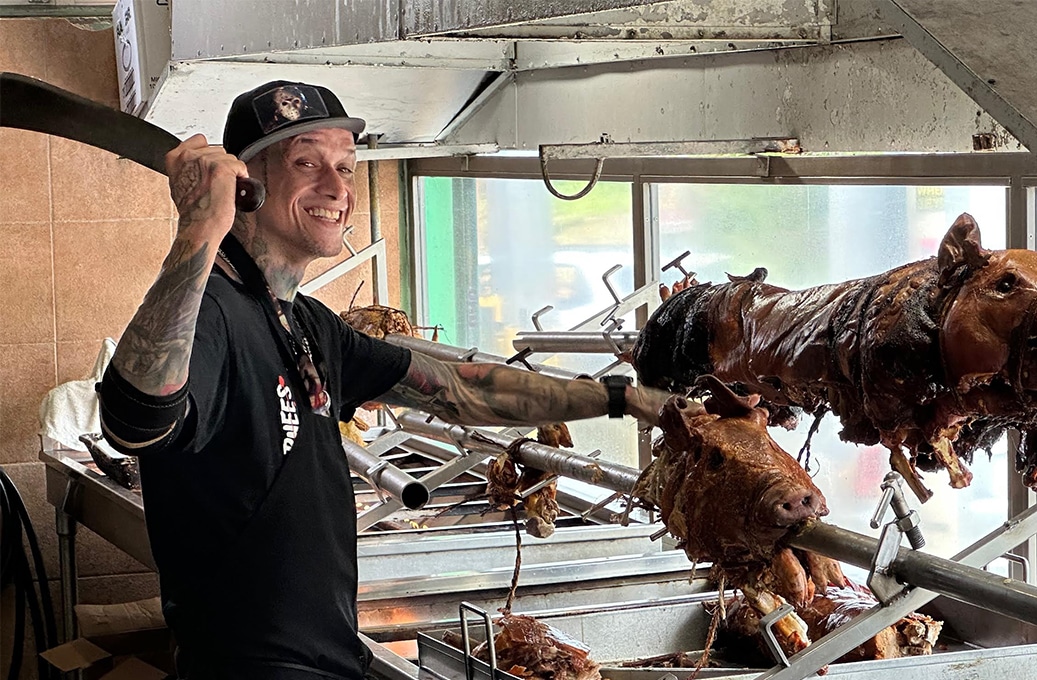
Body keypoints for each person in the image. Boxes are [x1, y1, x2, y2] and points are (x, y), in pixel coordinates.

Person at [97, 80, 673, 680]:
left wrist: (619, 398)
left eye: (346, 167)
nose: (337, 188)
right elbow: (134, 419)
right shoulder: (215, 311)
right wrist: (197, 230)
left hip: (328, 658)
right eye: (306, 162)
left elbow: (462, 389)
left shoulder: (307, 323)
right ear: (244, 183)